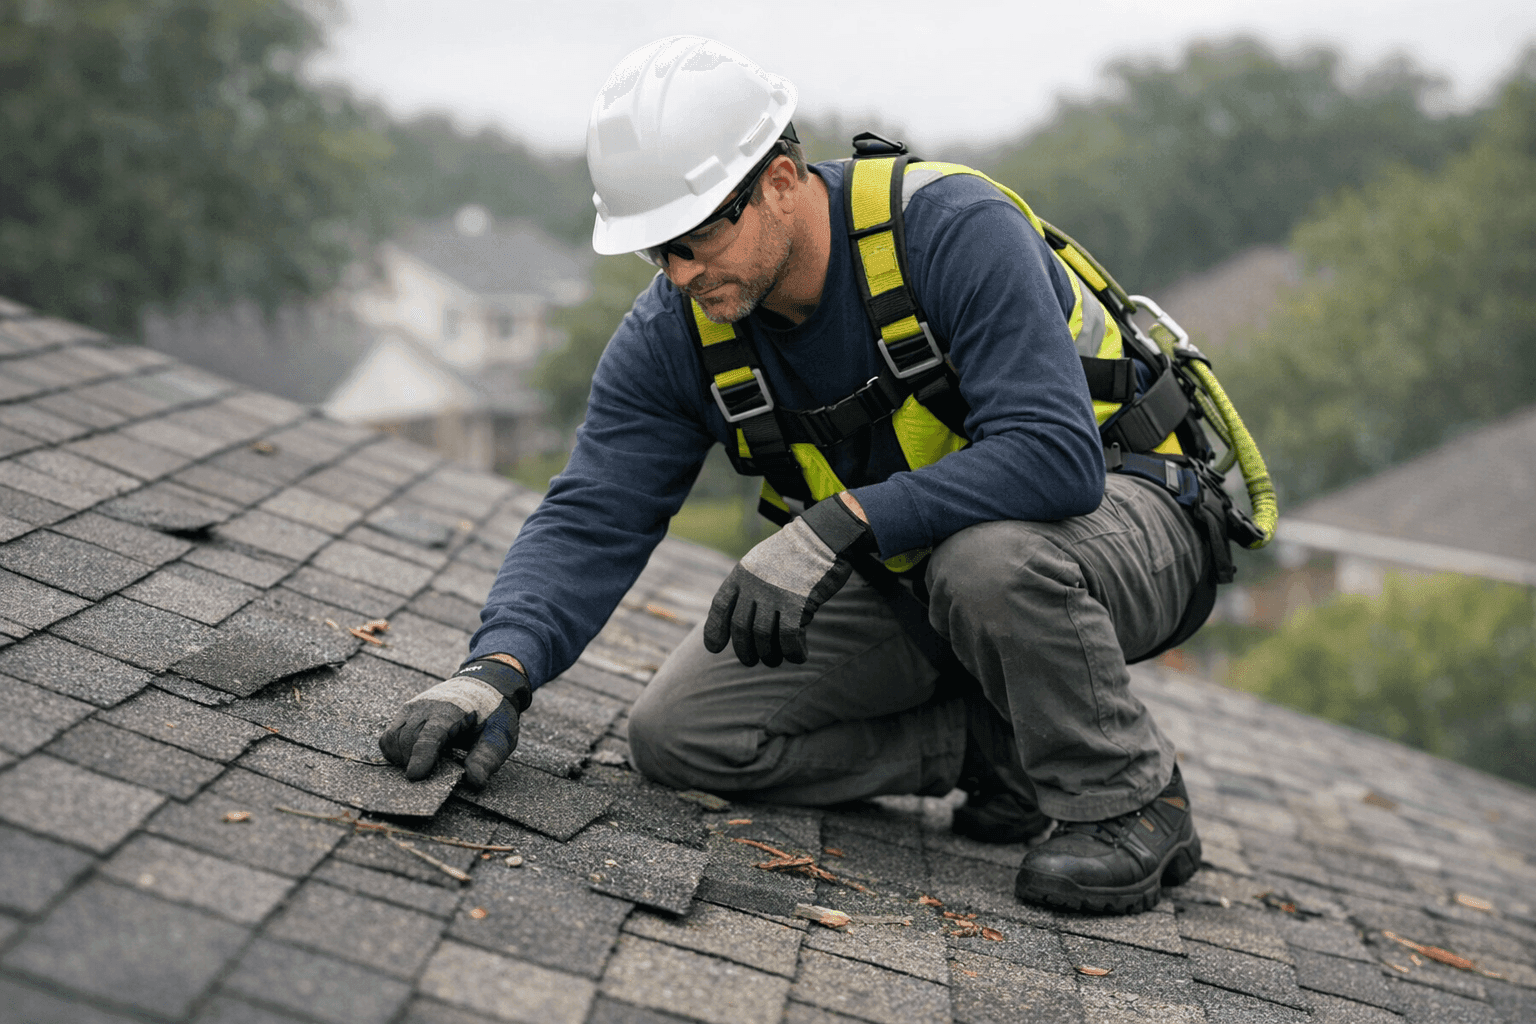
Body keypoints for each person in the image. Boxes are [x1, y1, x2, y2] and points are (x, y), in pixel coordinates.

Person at [380, 36, 1207, 914]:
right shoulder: (676, 332)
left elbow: (1054, 456)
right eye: (655, 251)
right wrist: (497, 667)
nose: (681, 274)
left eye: (696, 238)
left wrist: (837, 522)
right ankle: (989, 746)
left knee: (990, 563)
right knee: (682, 738)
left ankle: (1131, 802)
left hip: (1130, 521)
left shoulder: (952, 229)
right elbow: (594, 512)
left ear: (778, 180)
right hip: (921, 570)